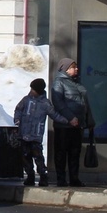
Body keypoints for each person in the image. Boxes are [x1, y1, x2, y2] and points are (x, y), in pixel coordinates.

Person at [14, 78, 71, 186]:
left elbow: (54, 115)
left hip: (36, 135)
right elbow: (18, 109)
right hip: (24, 134)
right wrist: (17, 119)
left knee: (38, 157)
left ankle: (43, 175)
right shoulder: (26, 100)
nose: (31, 91)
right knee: (25, 157)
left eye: (33, 89)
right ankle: (30, 175)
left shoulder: (45, 103)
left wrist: (66, 121)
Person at [50, 57, 91, 187]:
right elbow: (59, 103)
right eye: (73, 67)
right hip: (64, 125)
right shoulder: (59, 83)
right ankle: (61, 179)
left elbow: (85, 103)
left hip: (78, 125)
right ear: (66, 69)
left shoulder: (76, 83)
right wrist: (70, 118)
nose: (76, 69)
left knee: (75, 152)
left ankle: (74, 178)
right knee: (61, 152)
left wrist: (89, 120)